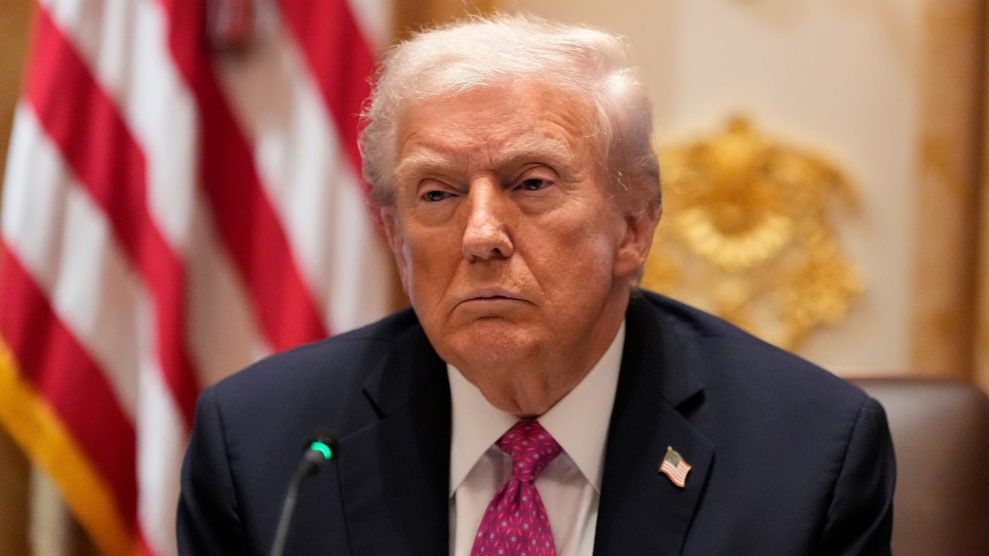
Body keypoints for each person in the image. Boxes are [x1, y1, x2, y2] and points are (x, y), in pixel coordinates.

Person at [177, 15, 894, 555]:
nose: (480, 234)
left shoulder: (805, 457)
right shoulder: (264, 449)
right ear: (396, 239)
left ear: (633, 226)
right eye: (437, 194)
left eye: (531, 183)